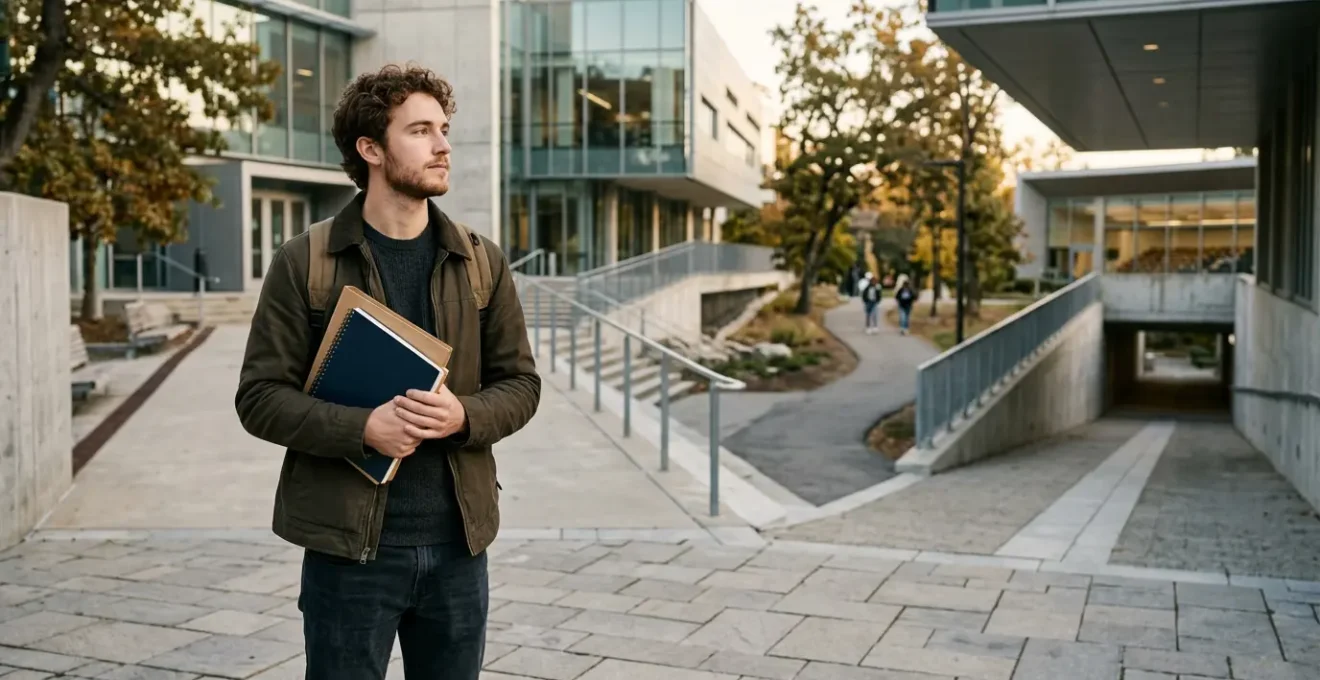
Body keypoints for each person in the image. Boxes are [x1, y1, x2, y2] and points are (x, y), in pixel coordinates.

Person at [234, 64, 541, 680]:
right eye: (421, 131)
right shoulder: (306, 261)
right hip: (348, 554)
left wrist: (465, 416)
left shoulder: (481, 262)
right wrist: (362, 429)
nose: (443, 145)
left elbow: (522, 385)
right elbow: (259, 398)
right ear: (370, 149)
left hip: (459, 549)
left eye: (444, 129)